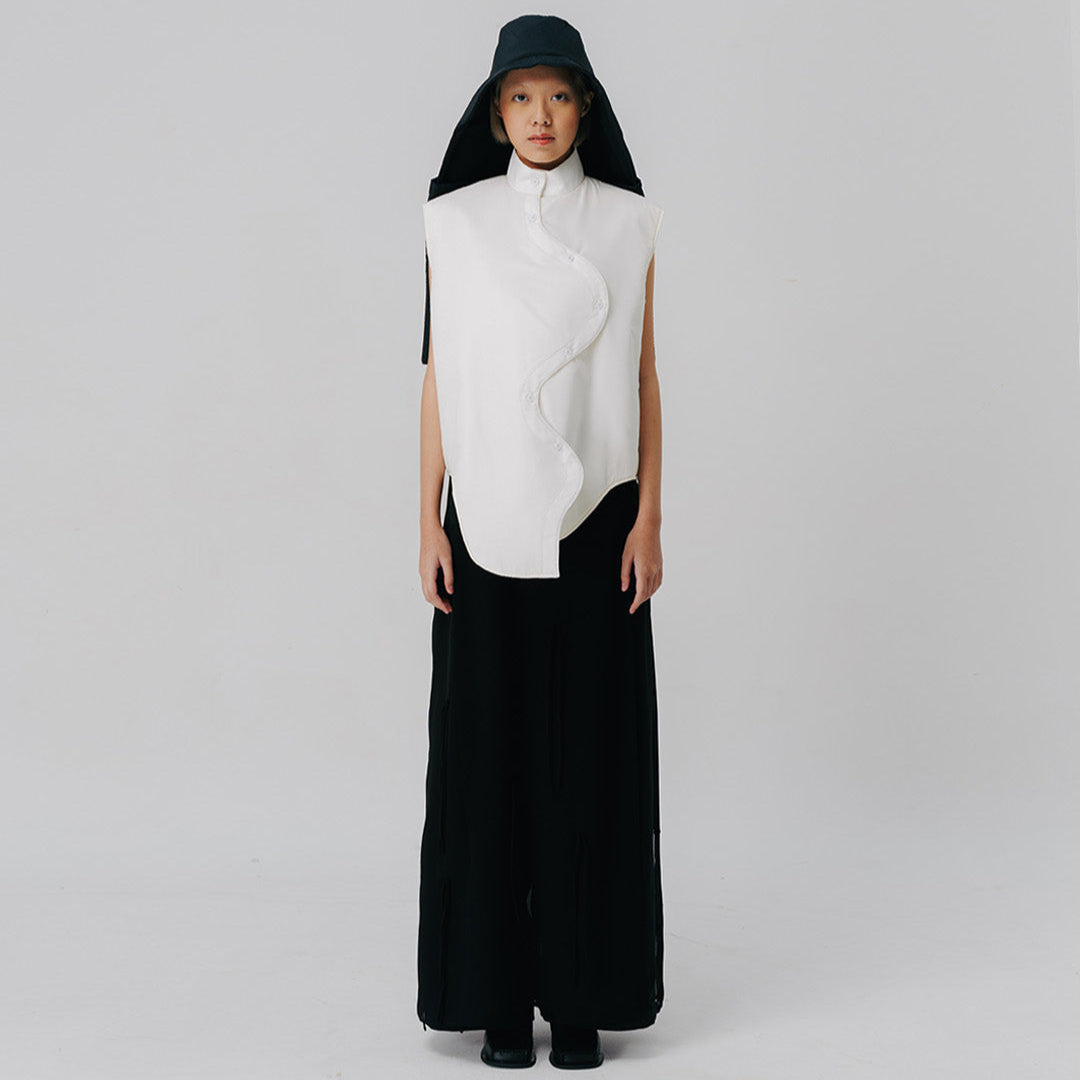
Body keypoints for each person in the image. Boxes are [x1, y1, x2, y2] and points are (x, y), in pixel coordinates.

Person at [416, 14, 666, 1070]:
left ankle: (581, 1001)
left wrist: (650, 516)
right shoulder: (453, 223)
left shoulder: (630, 222)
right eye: (521, 97)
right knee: (486, 767)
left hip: (598, 520)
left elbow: (644, 376)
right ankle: (496, 1003)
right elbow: (438, 379)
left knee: (589, 762)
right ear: (495, 113)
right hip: (482, 519)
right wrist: (424, 520)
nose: (540, 116)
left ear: (586, 109)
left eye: (559, 96)